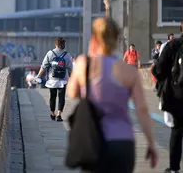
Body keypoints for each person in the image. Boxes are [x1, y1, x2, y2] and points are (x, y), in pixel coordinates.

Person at [67, 17, 157, 172]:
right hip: (123, 142)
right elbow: (142, 109)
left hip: (94, 141)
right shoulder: (129, 71)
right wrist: (151, 143)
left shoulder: (84, 63)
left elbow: (72, 92)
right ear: (117, 39)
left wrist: (90, 56)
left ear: (94, 38)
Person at [154, 23, 183, 173]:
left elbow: (157, 70)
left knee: (177, 130)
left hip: (177, 96)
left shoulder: (173, 46)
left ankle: (174, 168)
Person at [35, 37, 73, 122]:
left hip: (52, 80)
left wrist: (38, 76)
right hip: (63, 80)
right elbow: (71, 69)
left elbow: (44, 66)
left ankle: (52, 113)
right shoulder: (67, 55)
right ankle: (59, 114)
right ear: (63, 44)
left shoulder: (50, 53)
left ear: (55, 44)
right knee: (61, 97)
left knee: (52, 97)